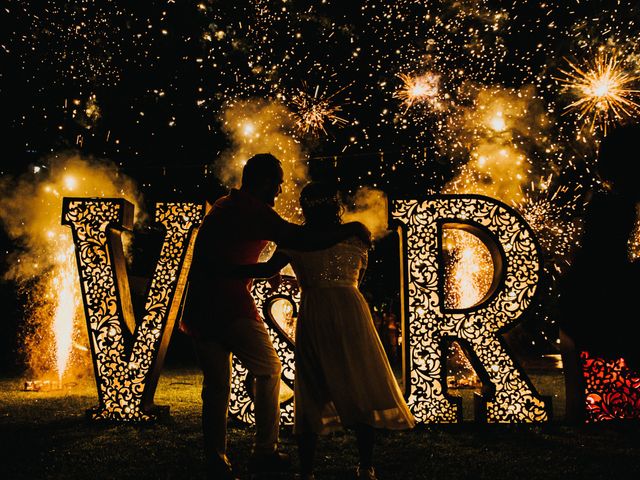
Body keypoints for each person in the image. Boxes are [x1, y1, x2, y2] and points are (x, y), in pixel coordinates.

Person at [180, 154, 371, 480]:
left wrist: (250, 271)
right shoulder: (252, 210)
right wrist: (349, 227)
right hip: (229, 304)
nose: (281, 189)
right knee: (269, 369)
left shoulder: (226, 206)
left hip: (198, 307)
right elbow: (302, 238)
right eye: (278, 181)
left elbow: (255, 257)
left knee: (215, 388)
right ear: (263, 180)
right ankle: (264, 451)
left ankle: (216, 459)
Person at [234, 182, 415, 480]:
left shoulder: (296, 239)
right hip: (350, 309)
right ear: (335, 207)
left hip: (316, 311)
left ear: (306, 207)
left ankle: (307, 470)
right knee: (358, 377)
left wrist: (228, 270)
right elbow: (352, 274)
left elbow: (265, 270)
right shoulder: (356, 236)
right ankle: (366, 465)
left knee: (312, 381)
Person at [558, 123, 640, 423]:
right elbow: (606, 262)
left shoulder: (607, 202)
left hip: (584, 301)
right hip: (596, 302)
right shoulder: (615, 206)